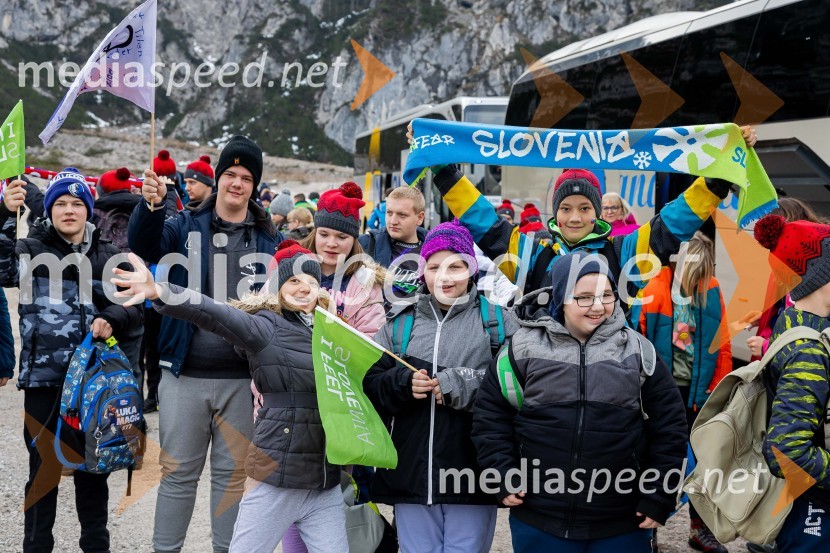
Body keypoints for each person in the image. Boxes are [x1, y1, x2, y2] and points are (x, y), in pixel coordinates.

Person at [111, 243, 348, 553]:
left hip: (323, 483)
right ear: (277, 287)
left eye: (312, 281)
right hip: (277, 478)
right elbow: (211, 312)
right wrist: (160, 291)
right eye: (294, 280)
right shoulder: (265, 327)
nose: (305, 287)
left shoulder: (334, 333)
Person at [472, 252, 688, 552]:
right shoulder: (521, 349)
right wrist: (501, 473)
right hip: (540, 518)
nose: (598, 306)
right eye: (584, 297)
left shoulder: (638, 351)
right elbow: (490, 416)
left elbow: (671, 428)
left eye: (606, 295)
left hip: (621, 522)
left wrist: (658, 494)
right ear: (560, 298)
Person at [128, 135, 283, 553]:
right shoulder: (184, 224)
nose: (237, 183)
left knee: (233, 478)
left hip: (243, 379)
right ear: (218, 178)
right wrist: (152, 206)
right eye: (230, 174)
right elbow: (143, 245)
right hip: (183, 372)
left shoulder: (269, 238)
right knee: (177, 474)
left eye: (246, 177)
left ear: (255, 185)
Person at [407, 125, 757, 305]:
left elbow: (674, 223)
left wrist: (715, 181)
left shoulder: (621, 254)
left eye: (585, 208)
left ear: (597, 212)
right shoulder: (531, 256)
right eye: (566, 209)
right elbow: (483, 220)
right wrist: (442, 170)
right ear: (555, 215)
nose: (575, 218)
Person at [0, 170, 143, 553]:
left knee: (92, 474)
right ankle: (36, 547)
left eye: (77, 204)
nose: (68, 210)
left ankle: (96, 546)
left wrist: (111, 317)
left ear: (88, 211)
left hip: (92, 388)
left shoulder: (109, 256)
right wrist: (2, 213)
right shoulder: (30, 249)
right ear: (49, 210)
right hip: (44, 383)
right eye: (60, 203)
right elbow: (1, 269)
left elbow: (134, 305)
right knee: (43, 473)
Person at [364, 220, 519, 553]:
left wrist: (460, 383)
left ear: (471, 269)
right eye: (434, 266)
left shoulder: (497, 322)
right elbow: (371, 385)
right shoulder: (399, 323)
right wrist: (403, 383)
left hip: (473, 475)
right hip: (411, 475)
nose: (444, 276)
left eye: (456, 266)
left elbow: (516, 387)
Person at [637, 232, 731, 553]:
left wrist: (720, 391)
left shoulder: (713, 290)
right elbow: (640, 340)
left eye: (704, 274)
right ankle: (647, 528)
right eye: (694, 274)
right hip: (663, 394)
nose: (699, 281)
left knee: (703, 465)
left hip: (699, 395)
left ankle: (700, 527)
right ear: (677, 264)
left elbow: (723, 343)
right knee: (655, 460)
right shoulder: (653, 290)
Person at [753, 214, 830, 551]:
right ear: (819, 280)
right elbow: (786, 450)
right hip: (813, 512)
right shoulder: (808, 351)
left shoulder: (795, 328)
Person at [301, 182, 385, 332]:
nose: (331, 243)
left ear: (354, 239)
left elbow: (371, 337)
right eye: (324, 234)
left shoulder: (366, 284)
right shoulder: (289, 267)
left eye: (341, 237)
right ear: (315, 233)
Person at [747, 197, 825, 359]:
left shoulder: (814, 269)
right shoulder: (803, 265)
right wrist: (766, 316)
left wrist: (767, 347)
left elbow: (807, 333)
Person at [92, 167, 145, 381]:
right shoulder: (143, 211)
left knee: (96, 363)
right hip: (136, 295)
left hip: (101, 298)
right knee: (131, 364)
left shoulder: (94, 214)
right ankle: (133, 408)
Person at [358, 186, 427, 306]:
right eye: (389, 213)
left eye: (402, 215)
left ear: (420, 218)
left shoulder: (434, 252)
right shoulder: (366, 244)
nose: (393, 221)